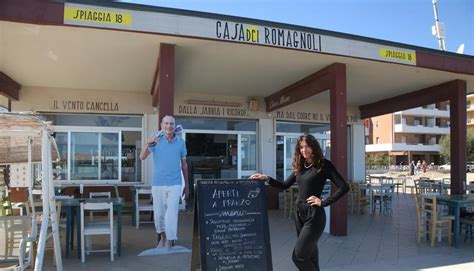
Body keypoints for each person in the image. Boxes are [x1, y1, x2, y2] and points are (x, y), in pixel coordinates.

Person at [250, 133, 349, 271]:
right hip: (299, 214)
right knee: (310, 254)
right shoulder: (301, 166)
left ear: (314, 147)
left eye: (307, 146)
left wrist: (324, 202)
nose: (304, 150)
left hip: (314, 215)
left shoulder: (324, 165)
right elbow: (284, 184)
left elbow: (344, 187)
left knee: (298, 257)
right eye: (301, 147)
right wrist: (266, 178)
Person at [140, 115, 189, 248]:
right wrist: (147, 143)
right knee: (159, 213)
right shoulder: (156, 140)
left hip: (175, 183)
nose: (169, 126)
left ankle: (170, 240)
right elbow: (142, 157)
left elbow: (184, 165)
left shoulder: (180, 142)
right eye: (166, 123)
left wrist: (187, 185)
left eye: (171, 124)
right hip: (158, 183)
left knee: (172, 212)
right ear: (162, 125)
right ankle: (163, 236)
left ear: (174, 126)